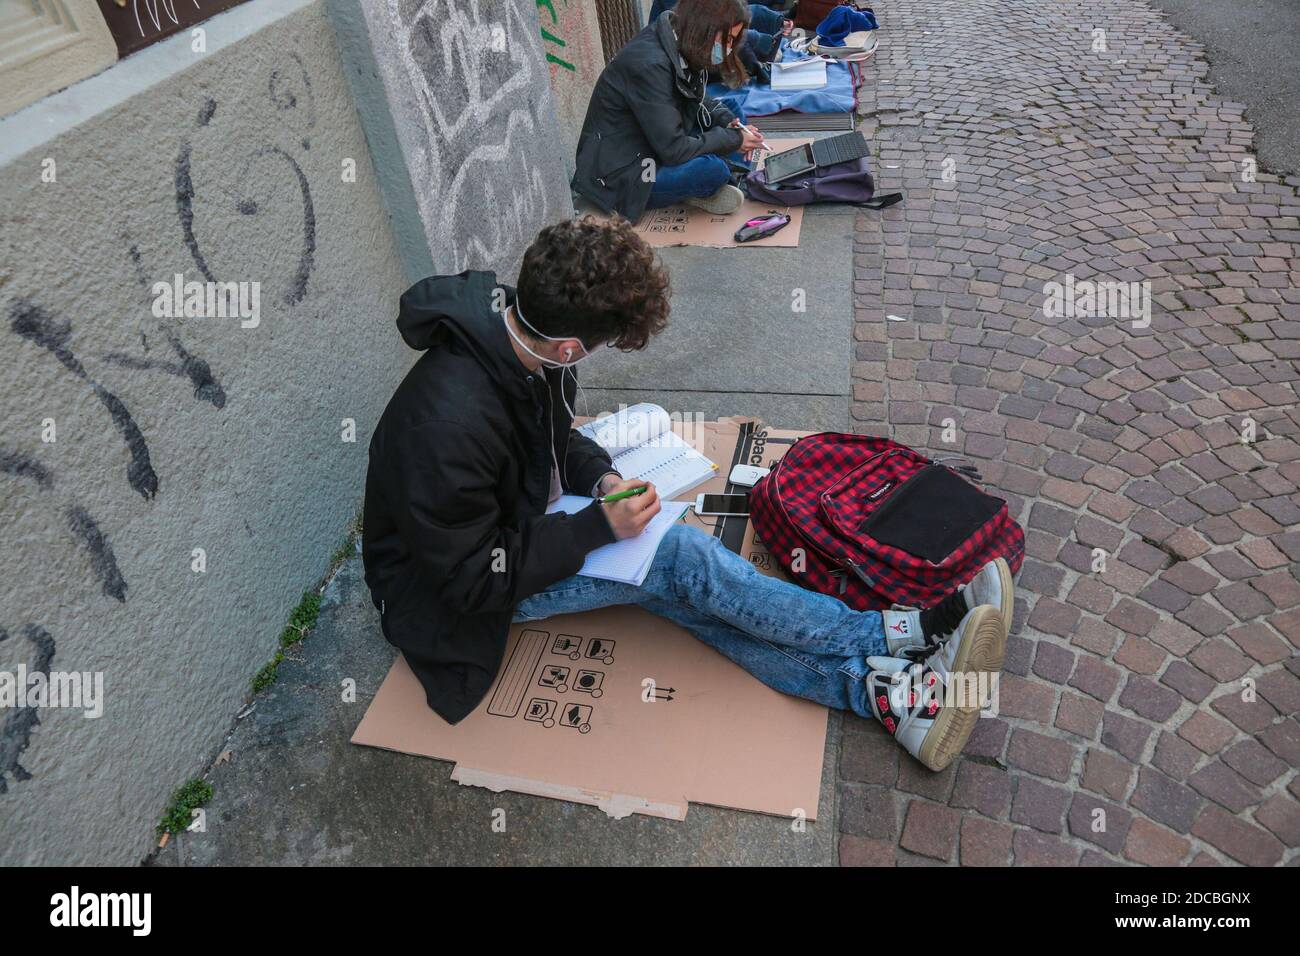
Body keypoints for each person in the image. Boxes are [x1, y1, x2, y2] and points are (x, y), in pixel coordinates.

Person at [362, 217, 1013, 772]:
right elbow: (471, 580)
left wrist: (602, 481)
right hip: (452, 599)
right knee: (677, 560)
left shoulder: (521, 338)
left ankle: (887, 696)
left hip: (519, 528)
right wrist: (597, 529)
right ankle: (893, 634)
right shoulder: (446, 429)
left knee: (686, 593)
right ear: (568, 346)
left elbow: (557, 438)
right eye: (600, 346)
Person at [572, 0, 767, 219]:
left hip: (654, 142)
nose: (728, 48)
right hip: (625, 174)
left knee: (730, 110)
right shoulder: (649, 65)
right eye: (727, 39)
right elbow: (673, 149)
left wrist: (731, 125)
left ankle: (719, 174)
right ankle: (714, 178)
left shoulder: (680, 40)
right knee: (713, 170)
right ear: (705, 27)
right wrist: (732, 140)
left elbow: (697, 97)